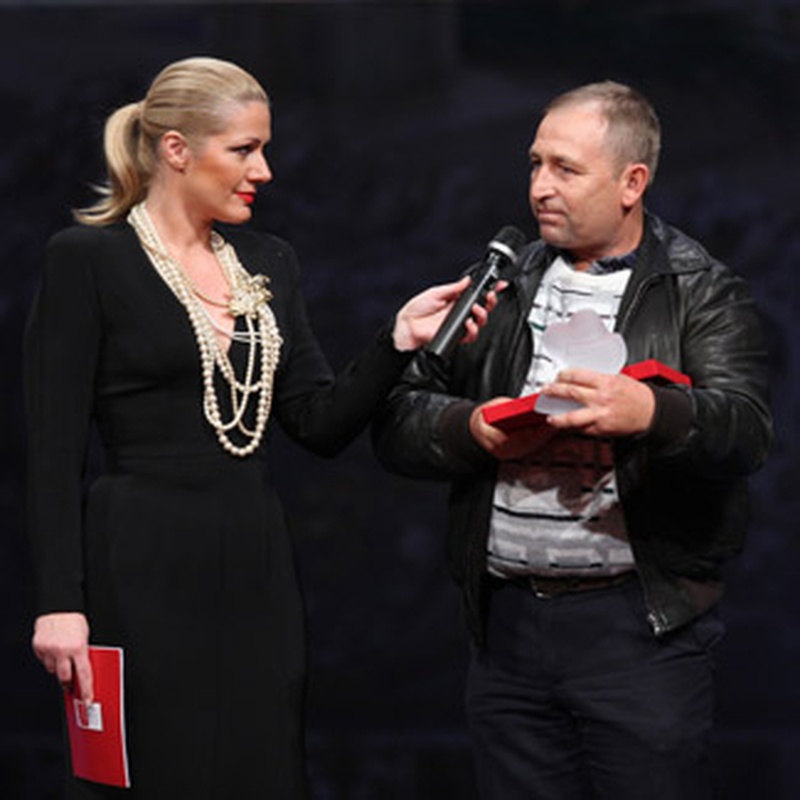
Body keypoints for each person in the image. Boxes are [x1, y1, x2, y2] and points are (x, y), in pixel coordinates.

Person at [24, 56, 496, 800]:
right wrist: (60, 603)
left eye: (264, 149)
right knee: (160, 771)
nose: (264, 171)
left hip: (254, 561)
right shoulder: (87, 259)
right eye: (244, 149)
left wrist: (396, 340)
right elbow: (52, 451)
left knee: (262, 770)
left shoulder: (268, 261)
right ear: (177, 150)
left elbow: (317, 423)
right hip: (140, 558)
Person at [373, 80, 772, 800]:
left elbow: (745, 430)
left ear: (631, 183)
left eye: (565, 169)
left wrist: (652, 412)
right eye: (535, 164)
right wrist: (470, 428)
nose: (540, 187)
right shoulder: (497, 284)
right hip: (507, 629)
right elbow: (398, 418)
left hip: (638, 630)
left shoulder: (698, 289)